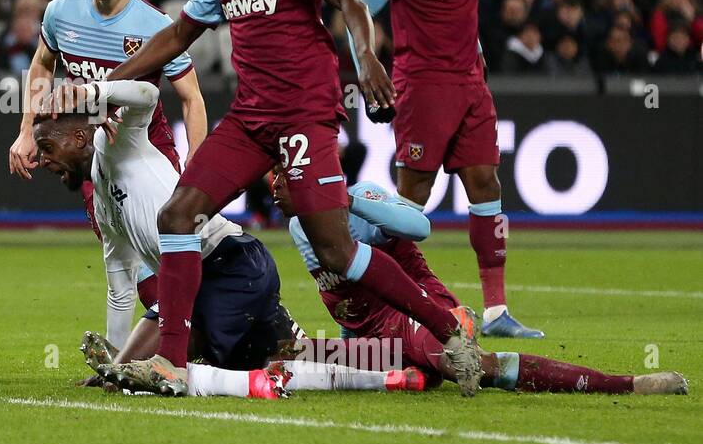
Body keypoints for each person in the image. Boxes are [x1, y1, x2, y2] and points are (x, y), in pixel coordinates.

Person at [104, 0, 484, 396]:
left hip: (304, 118)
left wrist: (367, 55)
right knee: (176, 215)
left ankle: (447, 328)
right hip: (250, 120)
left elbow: (350, 2)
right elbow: (176, 37)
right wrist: (110, 83)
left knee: (337, 252)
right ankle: (170, 364)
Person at [34, 80, 425, 398]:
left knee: (162, 377)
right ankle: (396, 370)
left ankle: (254, 384)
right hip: (195, 286)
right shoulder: (101, 200)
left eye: (48, 148)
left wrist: (94, 92)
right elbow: (121, 281)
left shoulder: (119, 142)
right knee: (295, 355)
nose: (43, 161)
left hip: (230, 265)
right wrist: (114, 369)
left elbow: (148, 94)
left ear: (82, 136)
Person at [272, 171, 688, 396]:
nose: (272, 186)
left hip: (418, 308)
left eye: (280, 175)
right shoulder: (296, 228)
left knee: (470, 366)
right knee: (292, 352)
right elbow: (348, 304)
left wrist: (347, 200)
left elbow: (420, 226)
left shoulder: (360, 194)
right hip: (377, 340)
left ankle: (626, 384)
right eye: (269, 176)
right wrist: (349, 349)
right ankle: (412, 372)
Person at [355, 0, 543, 338]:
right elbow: (359, 7)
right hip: (423, 86)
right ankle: (372, 302)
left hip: (470, 84)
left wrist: (477, 61)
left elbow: (465, 14)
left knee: (486, 185)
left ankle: (497, 313)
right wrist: (367, 63)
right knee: (412, 200)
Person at [9, 0, 207, 247]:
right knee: (120, 247)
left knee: (174, 238)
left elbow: (191, 97)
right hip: (91, 151)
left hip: (148, 147)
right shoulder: (61, 11)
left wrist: (196, 160)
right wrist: (27, 130)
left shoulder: (157, 26)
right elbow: (43, 63)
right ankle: (159, 301)